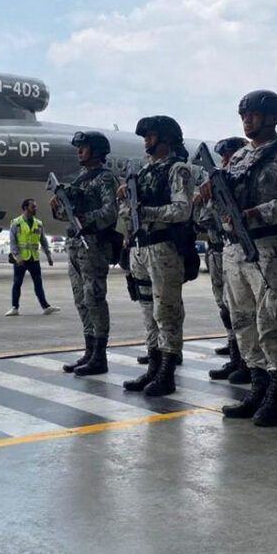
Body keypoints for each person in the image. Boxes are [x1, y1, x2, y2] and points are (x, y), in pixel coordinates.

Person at [199, 90, 277, 427]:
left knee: (272, 321)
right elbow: (220, 206)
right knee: (243, 320)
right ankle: (258, 388)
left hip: (270, 247)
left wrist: (257, 213)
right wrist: (209, 194)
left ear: (273, 117)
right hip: (235, 249)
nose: (247, 120)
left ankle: (276, 396)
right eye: (243, 114)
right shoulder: (239, 157)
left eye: (254, 114)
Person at [118, 115, 193, 397]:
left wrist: (146, 212)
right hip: (140, 247)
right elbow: (127, 211)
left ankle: (167, 372)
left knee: (166, 311)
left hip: (164, 248)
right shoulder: (143, 173)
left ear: (166, 139)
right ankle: (153, 366)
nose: (146, 141)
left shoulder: (178, 170)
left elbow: (182, 210)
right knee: (148, 311)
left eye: (151, 136)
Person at [50, 131, 120, 376]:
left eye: (84, 147)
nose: (79, 151)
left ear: (97, 151)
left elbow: (110, 212)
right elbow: (67, 216)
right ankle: (89, 351)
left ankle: (100, 356)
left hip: (94, 245)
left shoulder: (105, 178)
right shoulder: (80, 180)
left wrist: (85, 217)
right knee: (81, 300)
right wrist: (58, 208)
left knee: (95, 299)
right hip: (75, 244)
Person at [195, 136, 250, 382]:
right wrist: (207, 198)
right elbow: (203, 220)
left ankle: (248, 361)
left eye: (229, 157)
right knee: (226, 308)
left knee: (245, 311)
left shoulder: (243, 183)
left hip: (241, 250)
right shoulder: (219, 183)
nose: (225, 162)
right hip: (219, 251)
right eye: (223, 158)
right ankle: (235, 354)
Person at [5, 199, 59, 316]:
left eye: (35, 206)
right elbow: (13, 242)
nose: (35, 209)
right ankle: (14, 308)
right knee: (17, 283)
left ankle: (46, 307)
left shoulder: (38, 223)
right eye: (33, 207)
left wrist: (48, 255)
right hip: (21, 259)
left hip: (34, 258)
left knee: (38, 284)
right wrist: (17, 256)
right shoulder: (16, 223)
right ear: (25, 208)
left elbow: (43, 241)